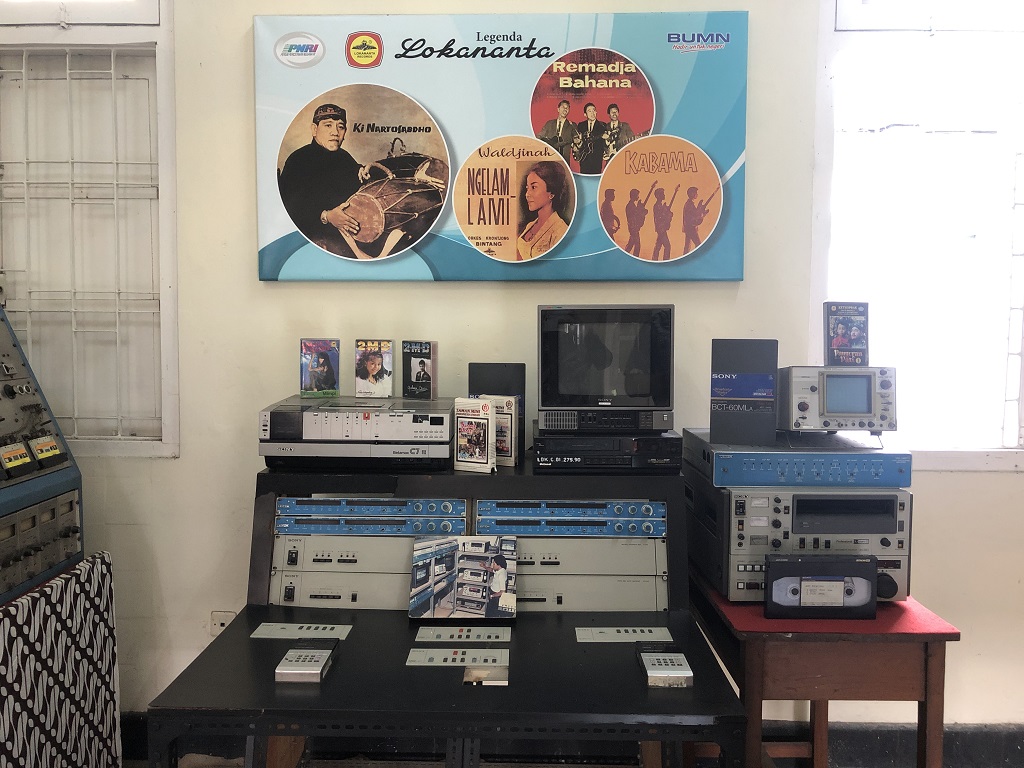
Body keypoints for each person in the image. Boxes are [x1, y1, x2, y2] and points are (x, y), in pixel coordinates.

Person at [277, 103, 371, 254]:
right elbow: (289, 209)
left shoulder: (344, 157)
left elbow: (358, 182)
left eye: (340, 127)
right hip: (312, 240)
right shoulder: (298, 160)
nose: (335, 132)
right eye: (328, 125)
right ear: (314, 129)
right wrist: (327, 216)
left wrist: (364, 171)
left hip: (350, 235)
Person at [516, 161, 570, 261]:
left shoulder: (560, 231)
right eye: (527, 188)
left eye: (534, 187)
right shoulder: (529, 225)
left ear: (551, 193)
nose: (527, 194)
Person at [536, 99, 579, 164]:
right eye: (563, 107)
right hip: (549, 160)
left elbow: (577, 145)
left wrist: (577, 144)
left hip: (564, 161)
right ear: (558, 109)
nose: (565, 109)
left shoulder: (572, 125)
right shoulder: (549, 123)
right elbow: (539, 137)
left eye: (567, 108)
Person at [574, 102, 608, 175]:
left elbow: (606, 144)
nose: (592, 113)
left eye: (594, 110)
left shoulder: (602, 125)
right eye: (589, 111)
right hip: (584, 159)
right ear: (585, 114)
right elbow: (578, 141)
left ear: (596, 112)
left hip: (597, 159)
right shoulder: (581, 125)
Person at [624, 183, 655, 258]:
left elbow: (637, 213)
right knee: (637, 246)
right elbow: (635, 216)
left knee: (631, 245)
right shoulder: (630, 205)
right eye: (637, 195)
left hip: (634, 229)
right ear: (634, 196)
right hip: (633, 229)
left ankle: (625, 258)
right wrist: (641, 210)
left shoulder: (632, 205)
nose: (638, 197)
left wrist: (640, 209)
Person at [651, 185, 679, 261]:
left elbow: (665, 215)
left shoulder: (661, 205)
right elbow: (659, 217)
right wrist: (667, 215)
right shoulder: (657, 206)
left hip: (661, 228)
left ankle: (654, 260)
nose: (664, 195)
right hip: (661, 229)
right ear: (658, 196)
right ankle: (665, 261)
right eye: (662, 194)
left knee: (658, 246)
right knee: (667, 246)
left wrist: (668, 214)